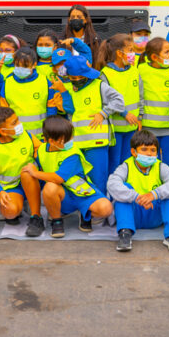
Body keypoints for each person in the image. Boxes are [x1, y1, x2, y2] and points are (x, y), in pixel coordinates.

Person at [58, 55, 124, 223]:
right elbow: (70, 109)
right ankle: (85, 208)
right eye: (74, 77)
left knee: (98, 177)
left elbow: (119, 101)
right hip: (77, 142)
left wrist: (103, 113)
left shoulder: (100, 85)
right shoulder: (68, 88)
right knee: (77, 178)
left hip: (97, 141)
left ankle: (100, 211)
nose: (78, 80)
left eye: (81, 76)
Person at [25, 116, 113, 238]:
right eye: (64, 140)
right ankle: (57, 220)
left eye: (70, 137)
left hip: (81, 192)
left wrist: (35, 173)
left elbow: (58, 178)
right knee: (50, 187)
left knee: (106, 208)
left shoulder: (73, 153)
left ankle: (84, 212)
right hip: (62, 195)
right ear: (51, 141)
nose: (70, 141)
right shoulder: (41, 150)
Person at [107, 130, 169, 252]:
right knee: (122, 193)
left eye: (153, 150)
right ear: (134, 152)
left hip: (154, 214)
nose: (149, 154)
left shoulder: (161, 166)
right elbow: (112, 184)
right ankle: (125, 233)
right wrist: (137, 197)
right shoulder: (126, 166)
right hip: (134, 214)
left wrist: (154, 194)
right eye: (144, 149)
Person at [0, 107, 45, 236]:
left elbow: (43, 154)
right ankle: (20, 204)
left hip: (33, 180)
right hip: (12, 188)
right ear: (3, 132)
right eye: (14, 123)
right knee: (10, 212)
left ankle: (36, 217)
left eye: (17, 120)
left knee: (27, 172)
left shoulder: (27, 136)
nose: (19, 125)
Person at [137, 38, 169, 173]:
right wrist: (139, 118)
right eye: (167, 52)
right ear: (154, 56)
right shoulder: (141, 69)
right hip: (148, 126)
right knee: (150, 160)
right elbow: (138, 95)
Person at [98, 35, 142, 176]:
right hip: (115, 129)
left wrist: (140, 117)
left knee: (128, 162)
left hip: (132, 127)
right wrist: (125, 113)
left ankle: (125, 194)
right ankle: (112, 195)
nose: (133, 53)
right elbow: (106, 101)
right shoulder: (106, 74)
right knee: (115, 164)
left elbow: (141, 96)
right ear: (119, 53)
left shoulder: (135, 71)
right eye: (130, 50)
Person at [0, 47, 59, 140]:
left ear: (34, 65)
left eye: (25, 66)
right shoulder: (7, 83)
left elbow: (51, 108)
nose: (20, 68)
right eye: (17, 65)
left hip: (41, 137)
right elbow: (3, 112)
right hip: (16, 137)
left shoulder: (45, 82)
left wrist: (49, 131)